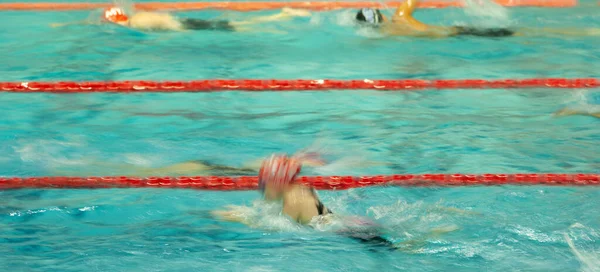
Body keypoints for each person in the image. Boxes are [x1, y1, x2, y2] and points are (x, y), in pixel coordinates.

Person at [213, 154, 396, 248]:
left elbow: (281, 228)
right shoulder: (297, 189)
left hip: (349, 232)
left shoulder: (293, 201)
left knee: (394, 249)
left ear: (277, 183)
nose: (261, 188)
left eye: (264, 183)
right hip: (350, 223)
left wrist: (244, 218)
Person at [355, 0, 600, 38]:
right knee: (522, 32)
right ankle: (585, 32)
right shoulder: (399, 18)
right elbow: (409, 2)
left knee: (522, 33)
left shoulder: (386, 33)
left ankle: (586, 32)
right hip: (459, 31)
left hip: (459, 36)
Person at [52, 5, 310, 32]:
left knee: (241, 27)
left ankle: (281, 14)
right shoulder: (135, 17)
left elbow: (174, 29)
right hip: (185, 22)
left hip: (186, 27)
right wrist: (65, 24)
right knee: (237, 25)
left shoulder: (136, 23)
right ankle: (279, 15)